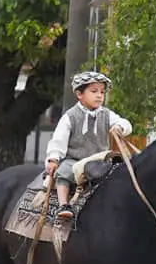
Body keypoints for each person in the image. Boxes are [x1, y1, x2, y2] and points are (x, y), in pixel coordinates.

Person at [45, 71, 132, 219]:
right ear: (80, 94)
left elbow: (125, 123)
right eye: (94, 91)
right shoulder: (70, 117)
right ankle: (63, 205)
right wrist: (53, 159)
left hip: (99, 161)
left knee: (120, 174)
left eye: (102, 92)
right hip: (75, 160)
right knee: (64, 172)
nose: (99, 95)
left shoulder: (107, 114)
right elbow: (58, 140)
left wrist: (120, 127)